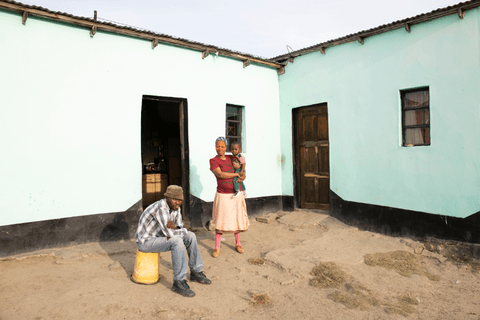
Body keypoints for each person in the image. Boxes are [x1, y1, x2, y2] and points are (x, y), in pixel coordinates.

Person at [135, 185, 211, 297]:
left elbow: (179, 226)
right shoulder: (161, 208)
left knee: (191, 235)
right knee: (176, 241)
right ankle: (178, 281)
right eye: (174, 199)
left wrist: (177, 227)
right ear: (167, 198)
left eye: (180, 200)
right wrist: (178, 229)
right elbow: (171, 233)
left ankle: (196, 271)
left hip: (160, 237)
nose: (177, 202)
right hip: (146, 242)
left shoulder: (175, 208)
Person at [209, 137, 249, 258]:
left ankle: (238, 244)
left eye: (222, 146)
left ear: (226, 147)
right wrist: (237, 174)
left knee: (236, 219)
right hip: (223, 194)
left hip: (236, 194)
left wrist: (243, 175)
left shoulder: (231, 157)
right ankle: (217, 247)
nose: (219, 149)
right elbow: (220, 174)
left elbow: (242, 167)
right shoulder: (213, 161)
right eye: (217, 146)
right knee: (221, 221)